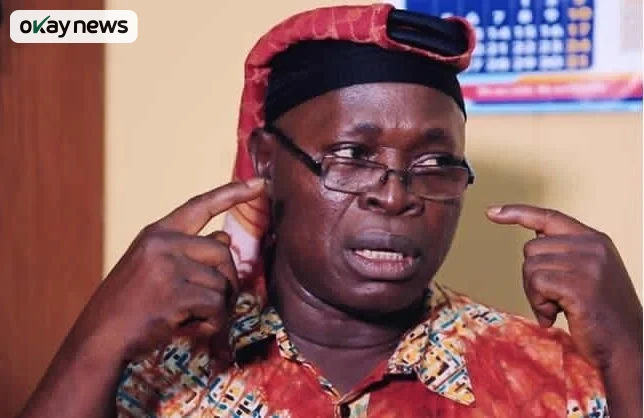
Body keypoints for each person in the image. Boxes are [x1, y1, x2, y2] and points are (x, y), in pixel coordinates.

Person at [17, 4, 642, 418]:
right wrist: (94, 345)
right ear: (266, 161)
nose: (395, 196)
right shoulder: (157, 369)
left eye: (435, 163)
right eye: (352, 156)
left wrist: (630, 349)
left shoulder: (548, 376)